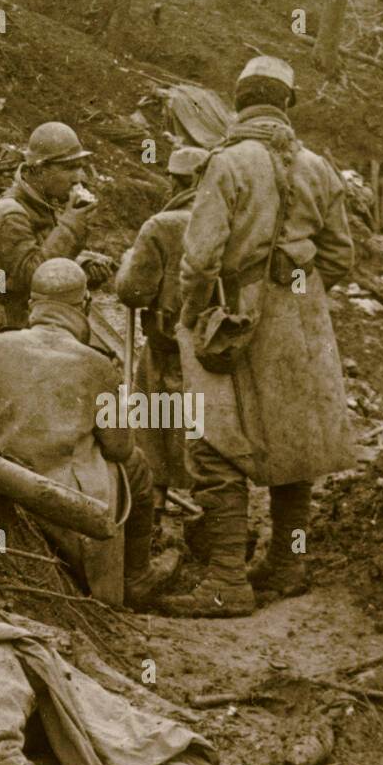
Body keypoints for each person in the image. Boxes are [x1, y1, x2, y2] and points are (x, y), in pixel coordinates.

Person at [160, 56, 355, 618]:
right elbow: (342, 254)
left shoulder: (228, 162)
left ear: (239, 102)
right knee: (295, 442)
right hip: (304, 322)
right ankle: (287, 564)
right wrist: (300, 288)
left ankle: (226, 580)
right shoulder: (320, 166)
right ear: (287, 106)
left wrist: (196, 315)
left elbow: (199, 259)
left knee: (214, 440)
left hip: (236, 319)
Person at [0, 258, 177, 609]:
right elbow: (120, 448)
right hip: (62, 505)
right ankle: (136, 577)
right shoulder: (97, 364)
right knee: (137, 465)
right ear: (85, 306)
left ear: (32, 304)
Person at [113, 145, 208, 504]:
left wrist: (127, 263)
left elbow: (132, 291)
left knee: (152, 435)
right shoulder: (234, 223)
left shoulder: (163, 226)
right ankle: (211, 530)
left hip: (166, 349)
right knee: (204, 440)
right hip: (216, 350)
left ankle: (150, 522)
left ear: (178, 181)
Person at [0, 121, 113, 333]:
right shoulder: (10, 213)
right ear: (40, 170)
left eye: (79, 167)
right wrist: (71, 226)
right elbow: (33, 276)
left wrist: (83, 263)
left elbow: (41, 251)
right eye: (69, 168)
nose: (78, 177)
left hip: (36, 323)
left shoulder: (41, 203)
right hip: (13, 331)